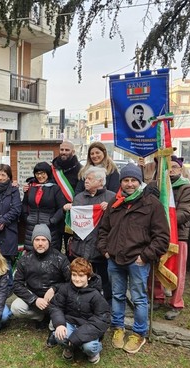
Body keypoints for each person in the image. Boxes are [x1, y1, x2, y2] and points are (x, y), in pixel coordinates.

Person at [96, 163, 169, 354]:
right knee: (117, 295)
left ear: (140, 182)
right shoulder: (115, 203)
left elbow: (162, 237)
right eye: (126, 180)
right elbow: (103, 229)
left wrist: (145, 256)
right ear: (121, 183)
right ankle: (118, 327)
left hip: (137, 261)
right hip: (114, 259)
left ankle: (139, 333)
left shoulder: (152, 203)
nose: (129, 184)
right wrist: (105, 249)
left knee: (138, 298)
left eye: (133, 180)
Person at [151, 156, 190, 320]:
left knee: (177, 271)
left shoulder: (186, 189)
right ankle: (157, 298)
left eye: (174, 167)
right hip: (156, 235)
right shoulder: (156, 186)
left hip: (178, 236)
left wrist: (160, 221)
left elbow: (186, 212)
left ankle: (176, 303)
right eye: (167, 167)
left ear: (180, 169)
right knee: (155, 267)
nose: (170, 170)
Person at [64, 166, 115, 302]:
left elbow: (117, 222)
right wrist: (68, 210)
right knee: (82, 278)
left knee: (104, 280)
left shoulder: (111, 197)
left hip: (101, 248)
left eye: (90, 179)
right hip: (80, 247)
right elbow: (73, 224)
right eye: (86, 178)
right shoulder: (79, 197)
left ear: (100, 181)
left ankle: (106, 307)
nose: (86, 181)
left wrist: (109, 208)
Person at [49, 258, 109, 363]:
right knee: (58, 336)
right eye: (74, 275)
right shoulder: (65, 289)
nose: (77, 279)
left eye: (81, 276)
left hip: (88, 327)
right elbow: (56, 306)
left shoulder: (96, 295)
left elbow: (102, 319)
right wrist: (59, 324)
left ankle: (93, 351)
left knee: (89, 347)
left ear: (89, 277)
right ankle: (69, 348)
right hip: (70, 323)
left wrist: (76, 337)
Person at [11, 224, 70, 325]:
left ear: (49, 241)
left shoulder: (60, 259)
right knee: (16, 307)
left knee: (55, 326)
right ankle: (40, 317)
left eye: (43, 240)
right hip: (34, 300)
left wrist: (54, 288)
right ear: (32, 241)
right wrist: (34, 299)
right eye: (37, 240)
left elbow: (71, 282)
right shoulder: (25, 259)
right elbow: (16, 284)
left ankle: (54, 317)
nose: (40, 243)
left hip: (55, 300)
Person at [22, 162, 67, 252]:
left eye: (43, 173)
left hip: (49, 227)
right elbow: (25, 204)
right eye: (37, 173)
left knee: (49, 254)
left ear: (48, 173)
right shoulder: (31, 187)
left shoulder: (55, 188)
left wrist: (52, 221)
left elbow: (61, 208)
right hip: (32, 227)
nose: (40, 176)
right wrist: (26, 218)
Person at [52, 141, 82, 252]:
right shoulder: (54, 169)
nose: (64, 152)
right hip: (56, 213)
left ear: (73, 152)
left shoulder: (80, 169)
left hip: (72, 213)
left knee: (71, 249)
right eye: (62, 150)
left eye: (67, 150)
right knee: (55, 248)